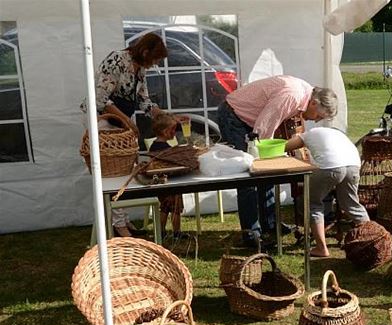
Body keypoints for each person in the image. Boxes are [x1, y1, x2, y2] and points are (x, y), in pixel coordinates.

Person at [217, 75, 338, 249]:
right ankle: (251, 234)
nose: (315, 120)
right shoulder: (292, 96)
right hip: (233, 116)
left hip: (248, 119)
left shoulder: (307, 92)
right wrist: (264, 155)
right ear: (313, 103)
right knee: (248, 175)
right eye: (318, 116)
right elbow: (264, 127)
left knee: (266, 172)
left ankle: (271, 224)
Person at [81, 33, 168, 237]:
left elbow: (144, 101)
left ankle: (123, 221)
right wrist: (128, 121)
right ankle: (118, 226)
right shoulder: (117, 60)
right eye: (154, 59)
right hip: (101, 120)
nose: (154, 64)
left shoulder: (139, 70)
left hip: (119, 123)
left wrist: (164, 115)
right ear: (145, 52)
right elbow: (100, 99)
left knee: (126, 172)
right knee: (114, 175)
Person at [285, 127, 369, 257]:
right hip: (353, 164)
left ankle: (321, 248)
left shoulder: (307, 135)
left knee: (312, 203)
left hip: (331, 166)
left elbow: (285, 147)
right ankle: (373, 238)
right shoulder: (335, 133)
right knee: (351, 205)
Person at [149, 112, 188, 240]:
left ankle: (161, 231)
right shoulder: (165, 149)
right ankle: (177, 232)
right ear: (166, 132)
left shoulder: (154, 146)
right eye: (173, 130)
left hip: (160, 182)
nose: (174, 133)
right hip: (171, 183)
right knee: (176, 209)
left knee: (164, 208)